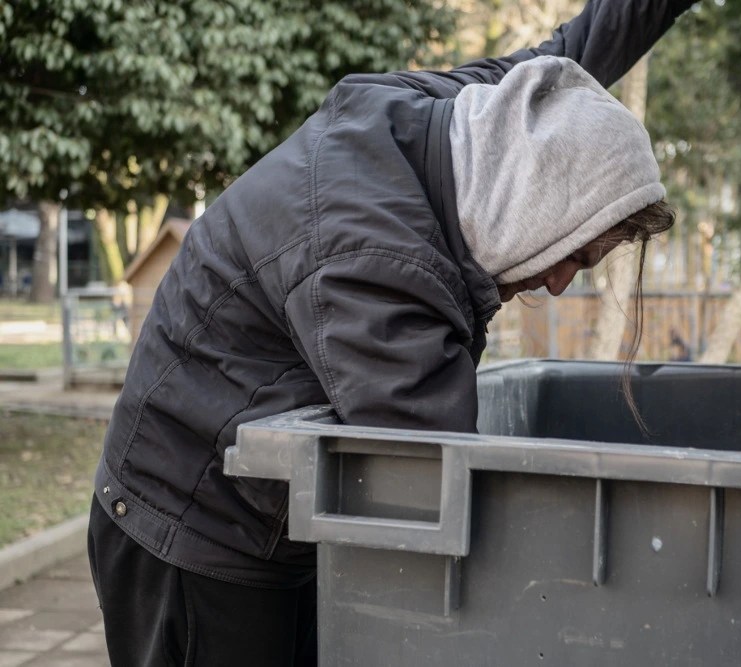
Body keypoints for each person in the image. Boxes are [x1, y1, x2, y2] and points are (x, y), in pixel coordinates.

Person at [87, 0, 690, 664]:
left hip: (269, 512)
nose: (557, 285)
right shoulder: (379, 267)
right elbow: (437, 481)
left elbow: (571, 57)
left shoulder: (474, 128)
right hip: (192, 533)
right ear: (534, 205)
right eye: (573, 255)